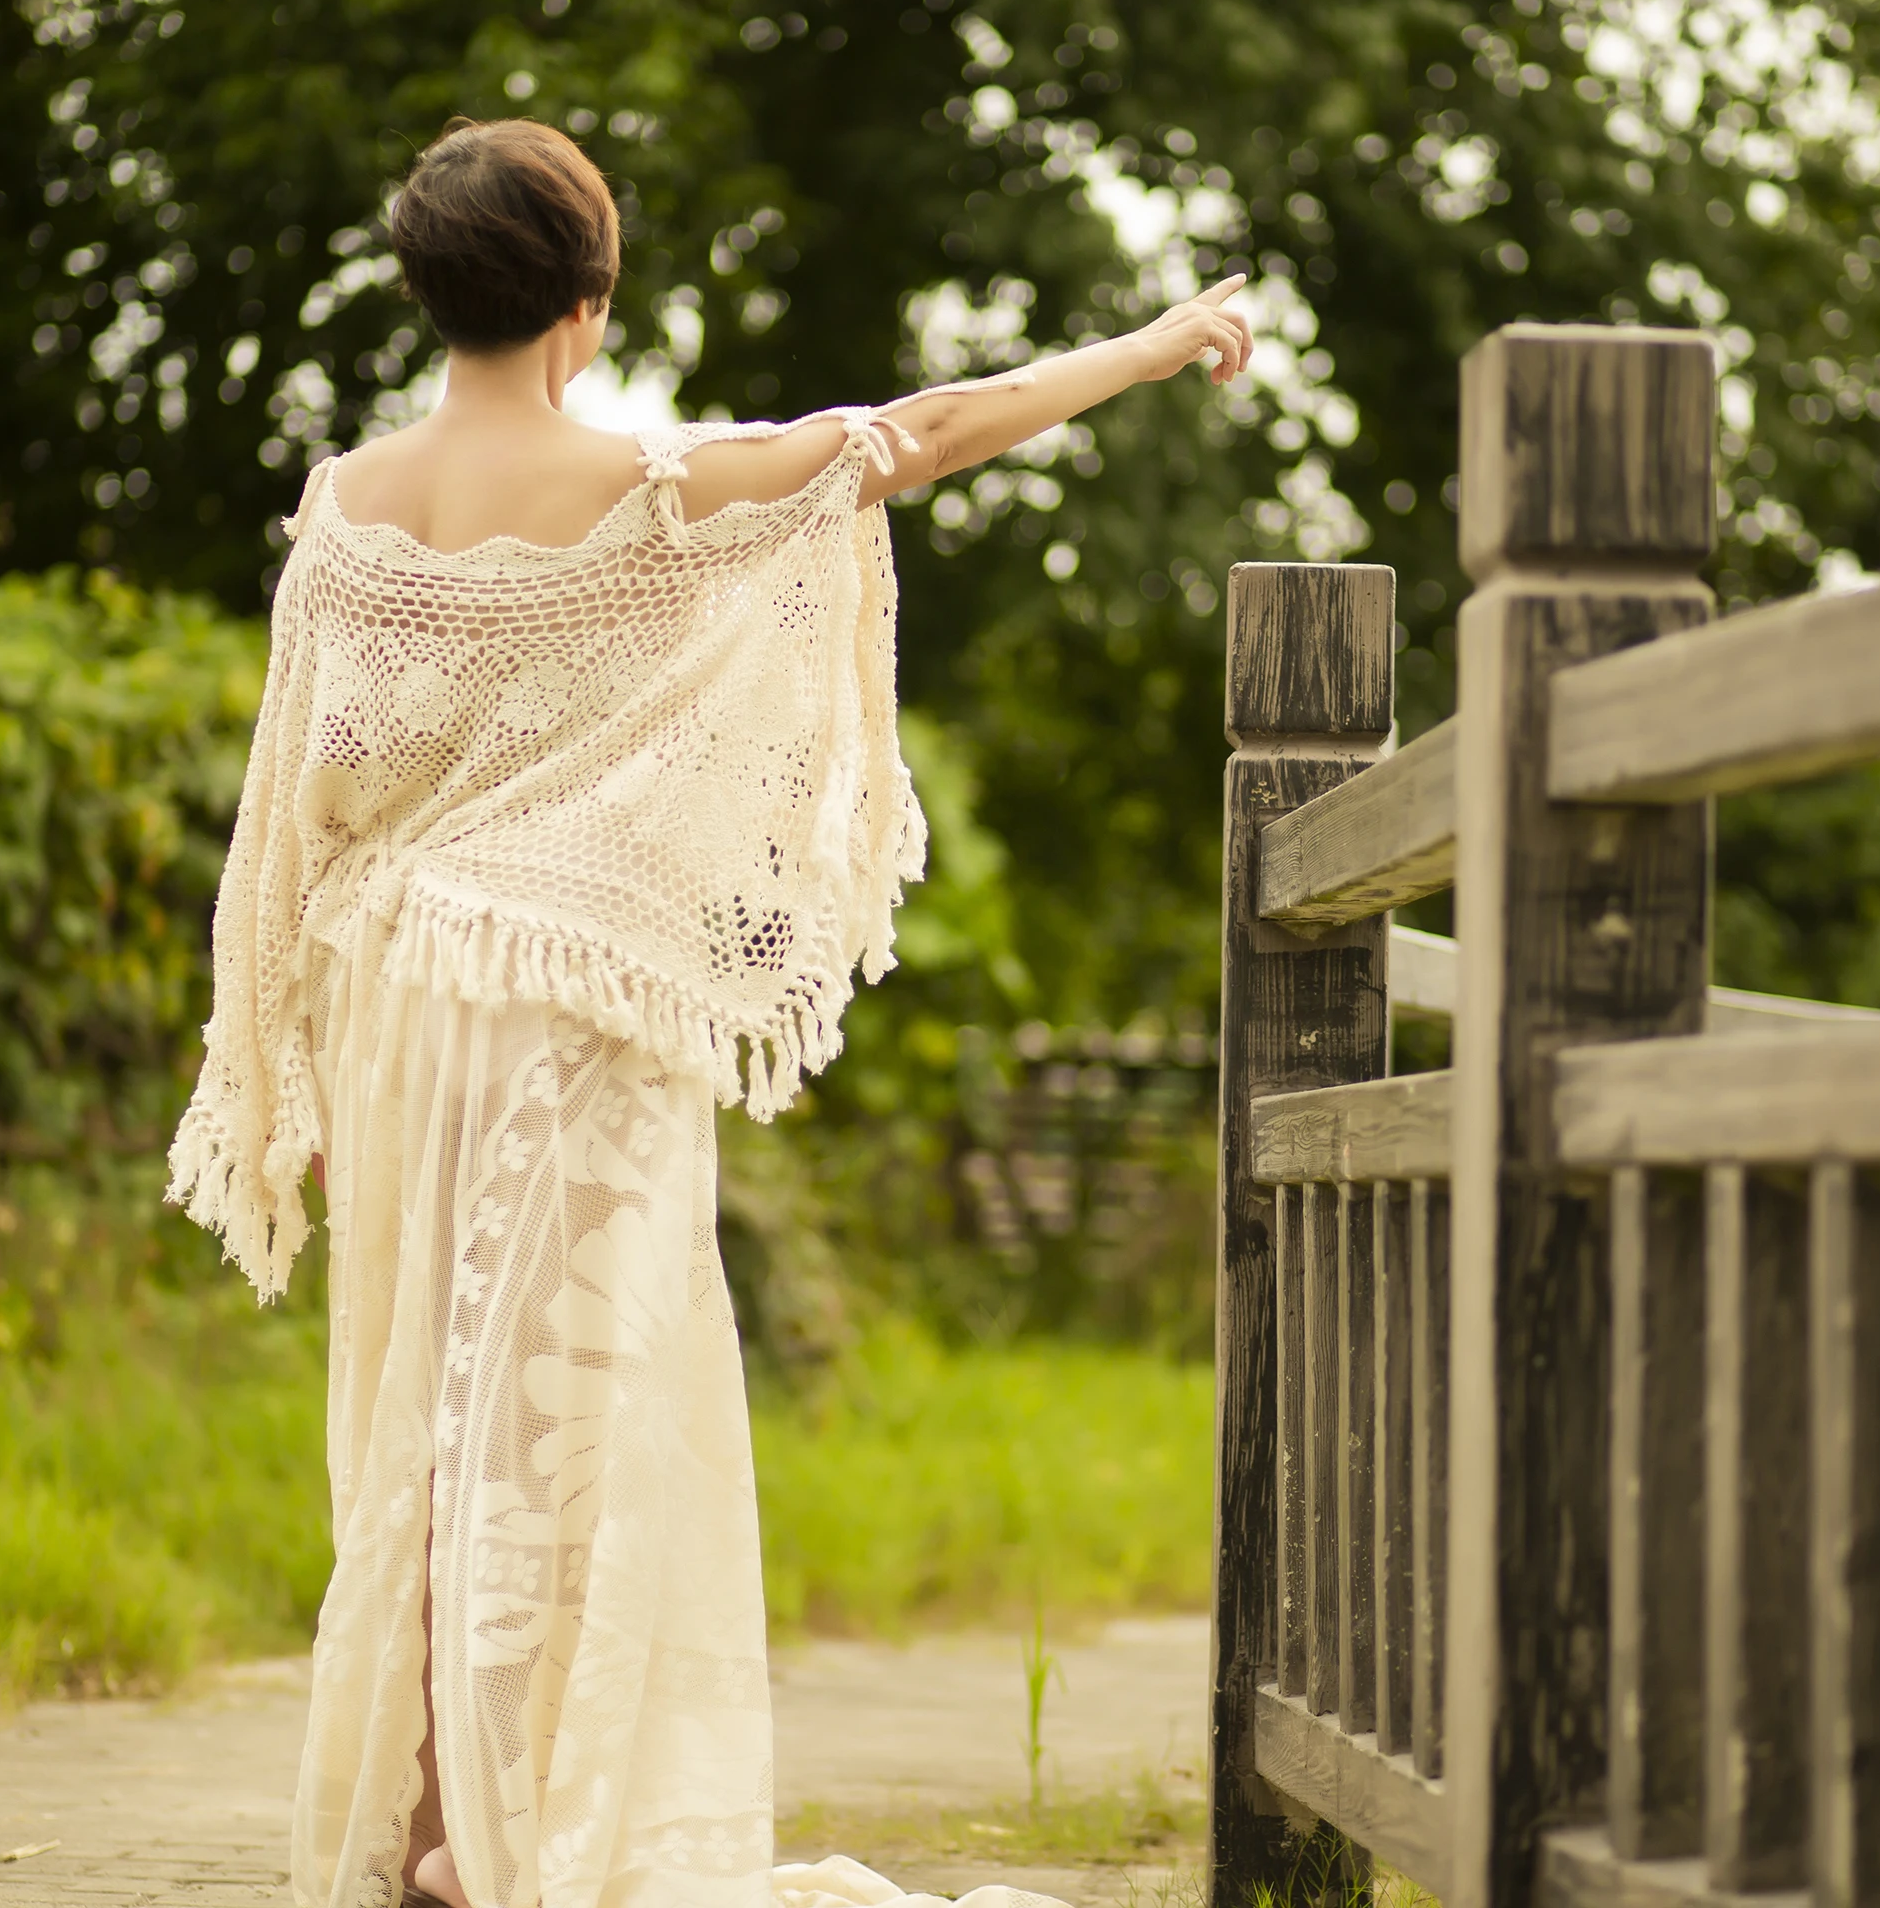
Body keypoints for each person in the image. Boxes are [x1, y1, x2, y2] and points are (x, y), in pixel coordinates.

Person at [169, 116, 1252, 1908]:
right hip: (562, 1014)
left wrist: (288, 1053)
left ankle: (436, 1831)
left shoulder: (345, 514)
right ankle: (550, 1833)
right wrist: (1139, 352)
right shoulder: (649, 491)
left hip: (393, 1017)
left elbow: (296, 805)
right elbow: (919, 433)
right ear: (585, 303)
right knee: (577, 1435)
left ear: (430, 294)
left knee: (425, 1440)